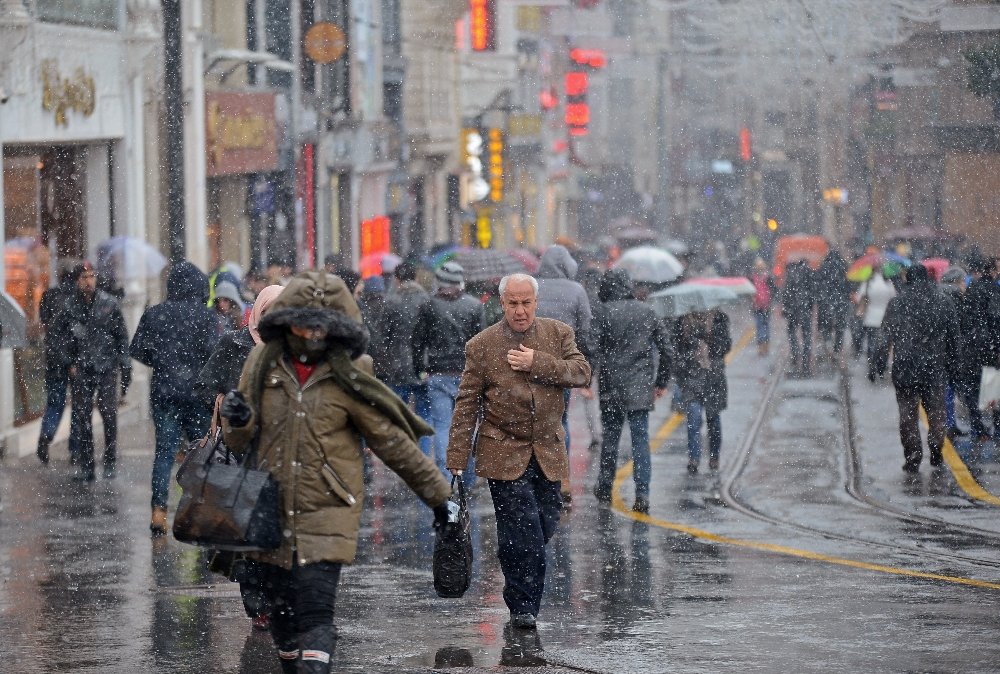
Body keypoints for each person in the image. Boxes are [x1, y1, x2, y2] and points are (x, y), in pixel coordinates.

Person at [219, 271, 450, 673]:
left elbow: (392, 442)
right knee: (284, 624)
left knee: (316, 613)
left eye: (318, 321)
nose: (309, 332)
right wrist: (236, 420)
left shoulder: (352, 372)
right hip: (269, 512)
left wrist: (441, 499)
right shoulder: (260, 364)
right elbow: (239, 441)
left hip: (328, 511)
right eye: (300, 320)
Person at [447, 273, 591, 629]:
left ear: (536, 303)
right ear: (502, 303)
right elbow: (466, 405)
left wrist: (537, 362)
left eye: (526, 303)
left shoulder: (558, 334)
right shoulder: (481, 346)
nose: (520, 310)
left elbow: (581, 372)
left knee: (546, 521)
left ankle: (518, 571)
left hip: (547, 450)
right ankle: (523, 605)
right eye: (513, 303)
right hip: (502, 450)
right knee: (521, 530)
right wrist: (456, 459)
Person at [196, 284, 283, 631]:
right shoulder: (233, 345)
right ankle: (258, 604)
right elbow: (204, 388)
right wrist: (225, 402)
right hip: (240, 454)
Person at [130, 261, 219, 536]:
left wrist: (163, 361)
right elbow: (214, 353)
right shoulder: (208, 318)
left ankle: (159, 512)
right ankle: (200, 510)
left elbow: (138, 350)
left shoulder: (155, 315)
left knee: (165, 454)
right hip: (197, 396)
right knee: (202, 454)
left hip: (165, 393)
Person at [591, 269, 670, 513]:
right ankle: (642, 493)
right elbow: (667, 350)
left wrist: (588, 377)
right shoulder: (647, 311)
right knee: (640, 441)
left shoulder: (602, 312)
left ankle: (605, 485)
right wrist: (661, 382)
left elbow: (592, 347)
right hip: (639, 386)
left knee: (611, 438)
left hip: (611, 384)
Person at [48, 262, 131, 481]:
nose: (88, 281)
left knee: (108, 414)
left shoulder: (108, 304)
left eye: (92, 276)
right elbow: (56, 338)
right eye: (84, 277)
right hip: (81, 368)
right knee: (82, 417)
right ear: (77, 280)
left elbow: (121, 336)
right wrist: (69, 362)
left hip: (106, 366)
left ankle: (110, 460)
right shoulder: (69, 306)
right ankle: (87, 465)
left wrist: (125, 364)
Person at [883, 264, 961, 472]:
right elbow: (954, 338)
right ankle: (936, 448)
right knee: (936, 412)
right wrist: (955, 366)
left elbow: (885, 337)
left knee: (907, 416)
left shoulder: (897, 303)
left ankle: (913, 456)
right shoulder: (943, 302)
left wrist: (878, 363)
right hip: (933, 368)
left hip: (905, 367)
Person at [412, 262, 485, 476]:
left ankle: (447, 477)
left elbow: (418, 341)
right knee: (467, 427)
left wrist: (420, 369)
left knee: (443, 426)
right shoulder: (474, 305)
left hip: (438, 373)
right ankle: (468, 475)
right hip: (467, 374)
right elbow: (481, 343)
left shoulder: (428, 305)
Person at [534, 245, 593, 499]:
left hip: (531, 364)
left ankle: (535, 478)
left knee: (533, 421)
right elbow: (586, 330)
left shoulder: (531, 287)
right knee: (561, 420)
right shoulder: (576, 291)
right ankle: (562, 479)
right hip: (562, 368)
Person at [671, 309, 732, 474]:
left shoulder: (719, 318)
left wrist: (711, 339)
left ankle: (714, 456)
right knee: (694, 417)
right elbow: (676, 351)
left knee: (713, 419)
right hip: (691, 377)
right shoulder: (682, 321)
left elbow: (726, 347)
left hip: (713, 377)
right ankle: (694, 457)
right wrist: (684, 363)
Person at [36, 266, 80, 465]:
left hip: (53, 356)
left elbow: (45, 323)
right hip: (74, 358)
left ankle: (46, 434)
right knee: (79, 405)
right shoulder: (78, 299)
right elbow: (78, 331)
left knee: (55, 401)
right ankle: (75, 449)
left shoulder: (49, 295)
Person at [960, 255, 1000, 442]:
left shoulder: (971, 288)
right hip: (989, 347)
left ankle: (977, 427)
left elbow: (965, 317)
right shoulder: (994, 290)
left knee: (973, 388)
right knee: (993, 387)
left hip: (971, 346)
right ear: (992, 271)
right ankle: (997, 428)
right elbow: (995, 319)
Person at [855, 264, 897, 382]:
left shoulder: (868, 283)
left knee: (871, 344)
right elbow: (894, 299)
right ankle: (881, 367)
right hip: (885, 319)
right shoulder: (888, 284)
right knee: (884, 345)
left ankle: (871, 365)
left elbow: (859, 299)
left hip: (870, 318)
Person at [781, 259, 815, 376]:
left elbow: (786, 292)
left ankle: (795, 351)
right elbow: (813, 292)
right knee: (806, 334)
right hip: (804, 308)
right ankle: (806, 356)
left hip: (793, 308)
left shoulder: (790, 273)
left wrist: (785, 307)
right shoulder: (809, 273)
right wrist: (809, 306)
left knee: (791, 331)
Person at [815, 250, 851, 360]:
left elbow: (818, 284)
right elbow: (849, 284)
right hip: (841, 301)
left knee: (826, 325)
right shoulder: (844, 267)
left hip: (826, 301)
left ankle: (828, 341)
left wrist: (820, 298)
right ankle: (837, 348)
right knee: (840, 327)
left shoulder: (823, 267)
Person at [749, 258, 776, 357]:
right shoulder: (768, 278)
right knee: (766, 325)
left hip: (756, 306)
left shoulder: (752, 279)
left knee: (759, 325)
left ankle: (761, 348)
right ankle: (766, 347)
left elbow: (749, 293)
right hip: (766, 306)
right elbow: (773, 291)